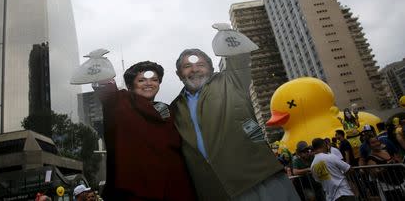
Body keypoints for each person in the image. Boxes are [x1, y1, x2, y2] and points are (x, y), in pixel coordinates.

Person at [171, 48, 299, 200]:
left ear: (211, 69)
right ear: (179, 74)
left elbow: (240, 55)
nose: (194, 69)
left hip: (258, 180)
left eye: (200, 64)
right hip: (215, 191)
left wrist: (226, 36)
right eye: (187, 66)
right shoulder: (175, 107)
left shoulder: (231, 80)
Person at [93, 61, 196, 200]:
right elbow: (106, 90)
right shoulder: (121, 103)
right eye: (141, 80)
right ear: (130, 85)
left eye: (154, 80)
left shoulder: (166, 109)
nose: (149, 84)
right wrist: (99, 65)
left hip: (173, 185)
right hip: (136, 187)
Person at [365, 134, 405, 200]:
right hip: (388, 188)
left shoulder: (386, 151)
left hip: (400, 183)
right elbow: (375, 173)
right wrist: (386, 167)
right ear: (369, 145)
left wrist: (397, 161)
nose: (376, 144)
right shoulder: (370, 158)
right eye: (373, 143)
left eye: (377, 141)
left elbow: (397, 160)